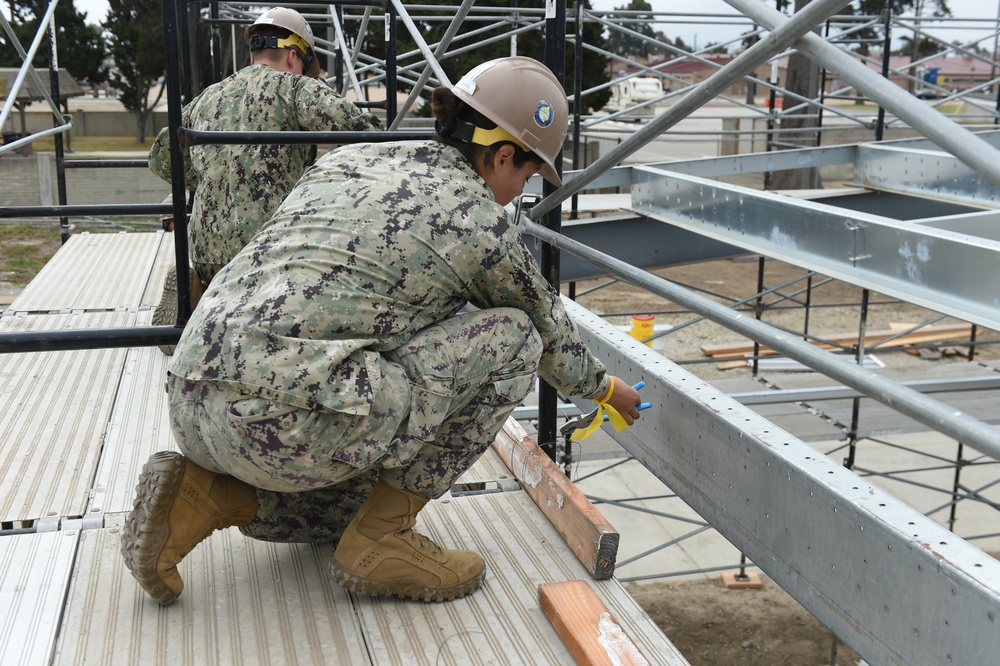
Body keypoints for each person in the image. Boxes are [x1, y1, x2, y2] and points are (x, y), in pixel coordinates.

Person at [121, 56, 644, 606]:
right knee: (513, 339)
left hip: (189, 397)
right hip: (282, 425)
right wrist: (606, 390)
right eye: (527, 176)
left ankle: (205, 496)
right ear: (503, 154)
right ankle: (383, 540)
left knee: (353, 490)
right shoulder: (474, 217)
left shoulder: (351, 160)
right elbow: (547, 329)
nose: (519, 193)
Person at [147, 6, 383, 288]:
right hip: (271, 247)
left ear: (253, 53)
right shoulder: (295, 88)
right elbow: (367, 134)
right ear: (294, 56)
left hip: (207, 249)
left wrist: (209, 175)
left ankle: (203, 296)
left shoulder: (208, 96)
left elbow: (161, 157)